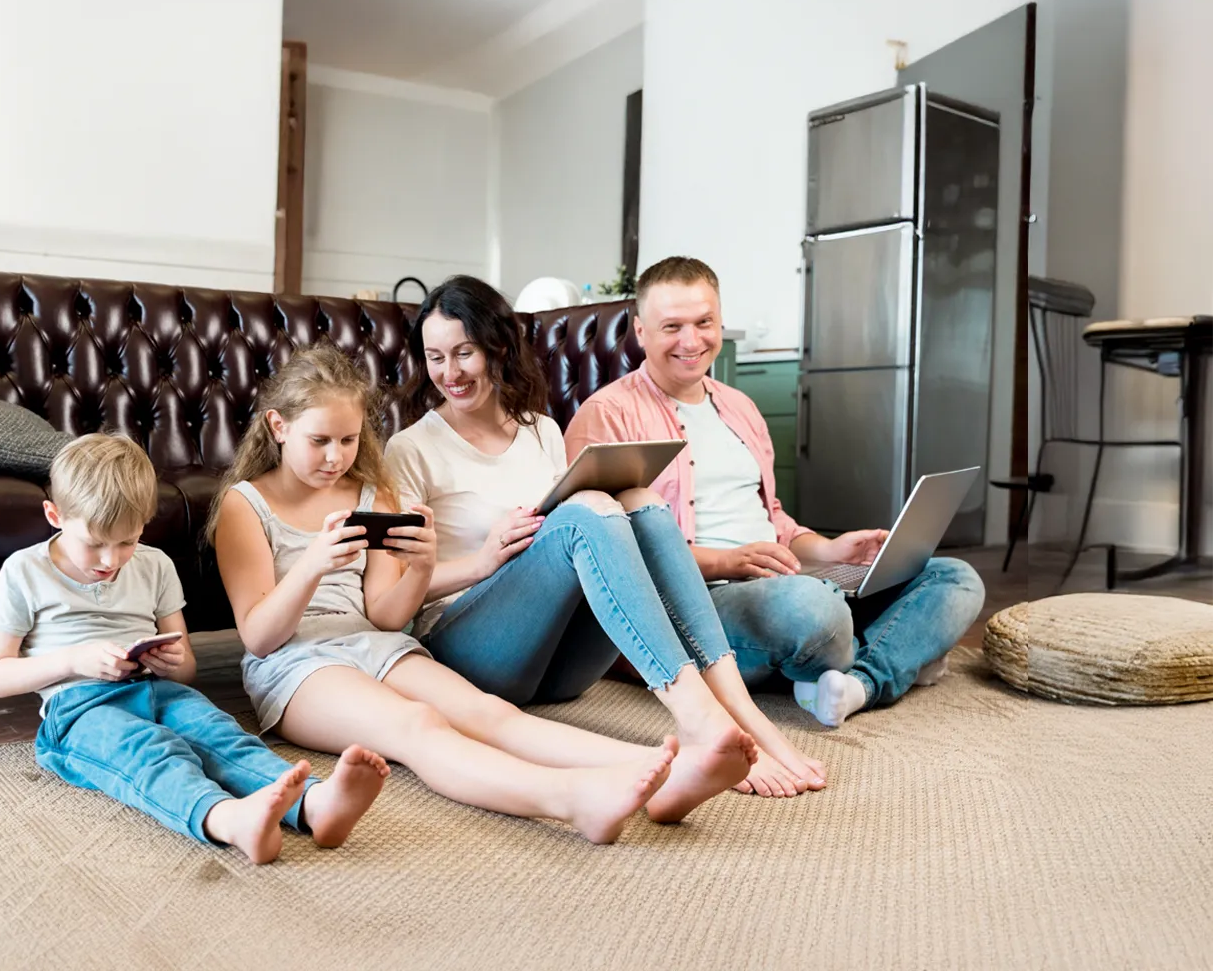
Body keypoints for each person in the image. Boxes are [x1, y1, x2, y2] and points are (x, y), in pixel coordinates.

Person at [212, 342, 724, 843]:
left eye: (347, 441)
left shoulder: (370, 490)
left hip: (377, 643)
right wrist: (311, 567)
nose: (336, 457)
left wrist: (421, 566)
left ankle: (670, 770)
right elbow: (259, 636)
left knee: (490, 713)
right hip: (296, 663)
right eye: (320, 441)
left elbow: (385, 617)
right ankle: (569, 798)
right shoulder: (245, 505)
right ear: (278, 426)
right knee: (416, 725)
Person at [384, 276, 820, 799]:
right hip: (469, 656)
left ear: (497, 346)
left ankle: (739, 709)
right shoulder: (410, 449)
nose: (449, 373)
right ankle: (697, 717)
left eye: (464, 353)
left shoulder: (542, 430)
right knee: (587, 510)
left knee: (642, 500)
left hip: (557, 670)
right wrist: (482, 560)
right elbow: (392, 596)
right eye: (435, 358)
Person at [565, 256, 986, 735]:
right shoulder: (607, 416)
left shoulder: (739, 406)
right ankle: (896, 653)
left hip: (785, 577)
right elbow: (608, 556)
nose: (691, 341)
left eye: (704, 323)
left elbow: (775, 520)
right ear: (641, 331)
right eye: (672, 327)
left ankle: (858, 682)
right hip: (700, 602)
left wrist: (830, 549)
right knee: (815, 611)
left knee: (953, 577)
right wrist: (729, 562)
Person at [0, 432, 389, 865]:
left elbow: (186, 668)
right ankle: (230, 819)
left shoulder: (154, 564)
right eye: (95, 543)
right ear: (54, 514)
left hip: (159, 689)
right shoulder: (24, 571)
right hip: (79, 708)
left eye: (126, 542)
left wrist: (171, 663)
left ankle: (315, 803)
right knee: (149, 750)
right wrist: (71, 660)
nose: (109, 560)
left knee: (220, 735)